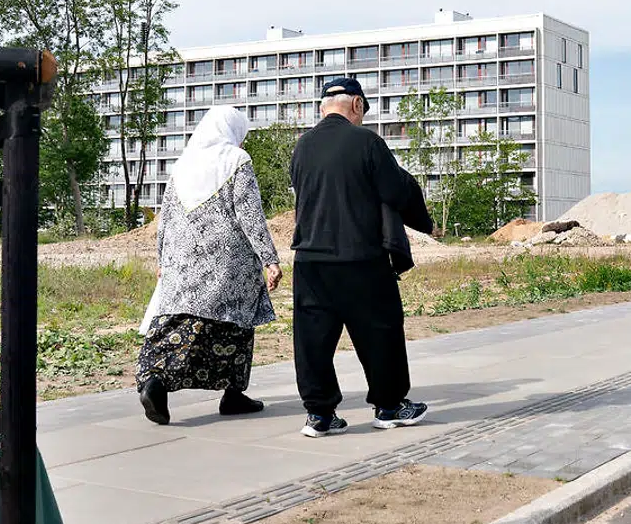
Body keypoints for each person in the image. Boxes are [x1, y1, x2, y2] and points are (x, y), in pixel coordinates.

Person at [290, 77, 435, 437]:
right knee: (380, 331)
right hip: (360, 257)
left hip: (309, 259)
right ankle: (389, 406)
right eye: (363, 111)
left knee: (313, 340)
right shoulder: (367, 141)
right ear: (356, 105)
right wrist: (423, 221)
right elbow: (394, 189)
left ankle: (320, 415)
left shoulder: (302, 147)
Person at [136, 106, 283, 425]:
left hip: (182, 263)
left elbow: (166, 219)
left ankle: (155, 381)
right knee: (236, 325)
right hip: (228, 264)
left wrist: (162, 260)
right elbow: (250, 215)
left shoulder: (181, 164)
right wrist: (269, 259)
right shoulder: (237, 161)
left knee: (177, 322)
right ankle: (232, 393)